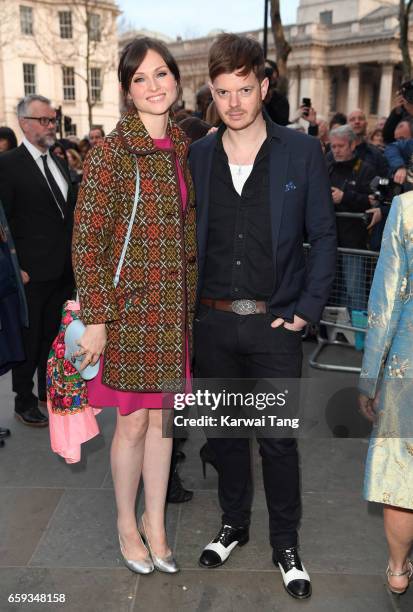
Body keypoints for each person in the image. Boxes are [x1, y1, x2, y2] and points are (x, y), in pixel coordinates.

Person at [189, 33, 336, 600]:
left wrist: (306, 312)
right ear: (213, 91)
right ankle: (233, 525)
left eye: (244, 89)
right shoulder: (199, 155)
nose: (233, 103)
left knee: (277, 441)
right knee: (224, 436)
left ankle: (286, 543)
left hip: (276, 328)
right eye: (222, 91)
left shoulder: (300, 152)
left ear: (264, 87)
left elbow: (322, 236)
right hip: (213, 324)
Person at [72, 37, 197, 575]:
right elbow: (87, 241)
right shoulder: (111, 153)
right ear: (126, 89)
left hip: (176, 316)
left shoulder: (185, 147)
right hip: (130, 315)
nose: (154, 86)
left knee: (164, 424)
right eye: (141, 78)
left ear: (176, 80)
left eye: (162, 74)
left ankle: (157, 524)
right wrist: (97, 320)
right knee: (132, 427)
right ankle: (128, 524)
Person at [0, 94, 75, 426]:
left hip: (61, 270)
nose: (50, 126)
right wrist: (16, 269)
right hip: (29, 273)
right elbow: (3, 222)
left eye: (53, 120)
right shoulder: (8, 165)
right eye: (44, 120)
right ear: (24, 123)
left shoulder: (58, 162)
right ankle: (23, 399)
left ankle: (48, 392)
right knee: (28, 340)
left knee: (53, 335)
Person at [359, 191, 413, 596]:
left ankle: (398, 568)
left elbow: (387, 297)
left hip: (407, 366)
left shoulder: (408, 207)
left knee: (401, 474)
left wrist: (369, 378)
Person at [347, 108, 389, 177]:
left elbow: (386, 182)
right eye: (352, 119)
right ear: (346, 125)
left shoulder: (377, 154)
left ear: (366, 124)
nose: (357, 122)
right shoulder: (336, 152)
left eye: (360, 119)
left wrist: (374, 184)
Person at [263, 59, 289, 126]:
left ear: (276, 74)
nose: (267, 72)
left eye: (269, 69)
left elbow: (282, 123)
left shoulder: (281, 99)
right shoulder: (254, 95)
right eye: (264, 69)